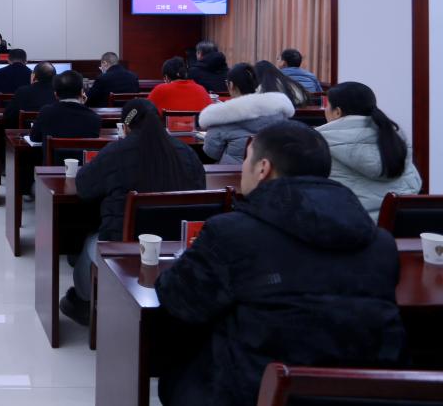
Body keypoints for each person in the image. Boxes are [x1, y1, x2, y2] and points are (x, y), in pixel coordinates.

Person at [155, 122, 406, 406]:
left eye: (247, 159)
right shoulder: (381, 243)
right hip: (362, 396)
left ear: (263, 168)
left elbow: (179, 300)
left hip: (253, 392)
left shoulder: (231, 233)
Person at [61, 99, 205, 324]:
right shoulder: (187, 154)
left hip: (123, 247)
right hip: (179, 249)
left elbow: (84, 187)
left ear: (126, 127)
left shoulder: (116, 152)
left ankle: (86, 302)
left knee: (89, 242)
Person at [318, 82, 422, 220]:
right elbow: (415, 184)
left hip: (348, 226)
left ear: (337, 112)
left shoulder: (318, 142)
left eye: (327, 105)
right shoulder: (395, 139)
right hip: (401, 225)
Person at [198, 63, 294, 164]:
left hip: (233, 171)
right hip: (272, 169)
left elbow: (211, 153)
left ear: (231, 85)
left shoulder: (221, 116)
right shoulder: (277, 111)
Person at [29, 70, 102, 144]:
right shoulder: (94, 118)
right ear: (81, 92)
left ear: (56, 95)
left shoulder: (46, 112)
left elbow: (34, 138)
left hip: (53, 152)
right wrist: (81, 105)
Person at [148, 57, 213, 114]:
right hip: (197, 124)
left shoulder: (160, 90)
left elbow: (145, 111)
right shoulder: (201, 89)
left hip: (168, 124)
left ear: (166, 77)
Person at [3, 61, 57, 128]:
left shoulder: (22, 91)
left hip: (26, 131)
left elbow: (8, 116)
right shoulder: (58, 92)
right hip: (53, 131)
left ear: (34, 76)